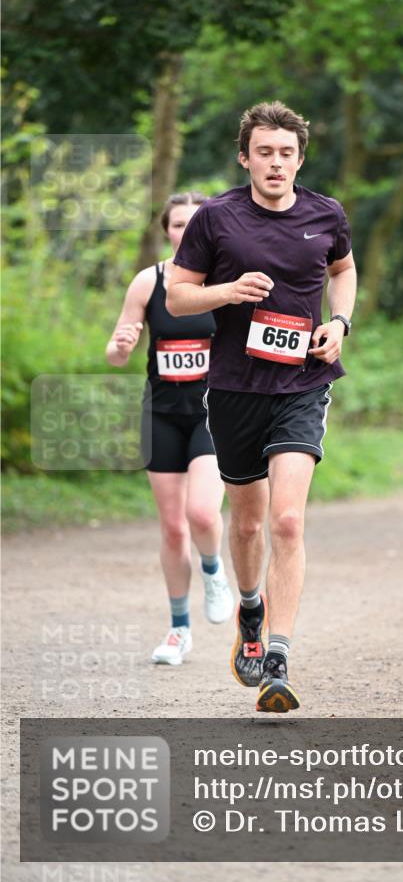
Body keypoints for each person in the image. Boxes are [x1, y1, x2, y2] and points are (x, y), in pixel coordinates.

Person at [167, 101, 356, 713]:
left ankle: (276, 656)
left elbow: (344, 269)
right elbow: (178, 294)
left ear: (300, 159)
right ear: (244, 156)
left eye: (286, 153)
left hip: (303, 381)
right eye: (264, 152)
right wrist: (228, 290)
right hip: (234, 388)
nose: (276, 163)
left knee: (288, 522)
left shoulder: (326, 213)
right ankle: (250, 609)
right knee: (246, 523)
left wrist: (340, 322)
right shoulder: (216, 218)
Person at [105, 192, 234, 666]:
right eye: (178, 224)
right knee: (173, 529)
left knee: (202, 515)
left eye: (195, 223)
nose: (186, 231)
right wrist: (120, 346)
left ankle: (215, 570)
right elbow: (117, 352)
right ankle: (179, 630)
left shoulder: (225, 282)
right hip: (160, 414)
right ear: (167, 231)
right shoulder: (149, 281)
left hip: (213, 413)